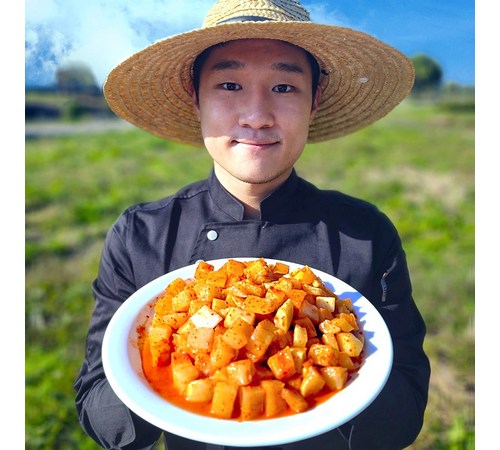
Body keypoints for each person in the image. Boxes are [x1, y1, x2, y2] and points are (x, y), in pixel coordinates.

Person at [74, 0, 431, 449]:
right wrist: (157, 379)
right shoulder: (140, 235)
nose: (257, 115)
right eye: (229, 84)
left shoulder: (365, 233)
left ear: (314, 101)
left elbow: (403, 411)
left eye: (284, 86)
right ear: (195, 97)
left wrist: (327, 381)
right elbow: (98, 409)